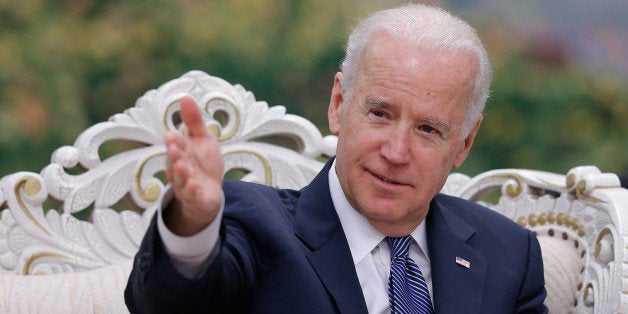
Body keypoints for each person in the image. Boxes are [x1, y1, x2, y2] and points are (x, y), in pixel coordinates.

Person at [125, 3, 547, 313]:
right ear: (339, 103)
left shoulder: (509, 254)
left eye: (428, 130)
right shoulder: (255, 225)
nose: (396, 153)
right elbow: (170, 305)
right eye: (380, 114)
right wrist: (193, 223)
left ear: (464, 144)